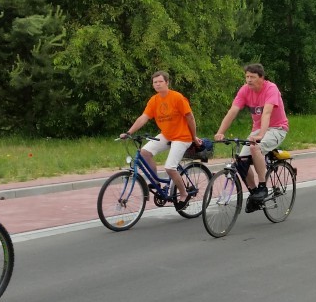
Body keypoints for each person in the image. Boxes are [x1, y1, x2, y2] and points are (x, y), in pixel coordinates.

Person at [122, 71, 201, 210]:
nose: (157, 84)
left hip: (182, 136)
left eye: (160, 81)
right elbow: (144, 117)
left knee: (170, 167)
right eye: (155, 82)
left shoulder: (177, 97)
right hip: (166, 135)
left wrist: (194, 137)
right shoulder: (154, 100)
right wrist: (129, 132)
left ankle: (183, 194)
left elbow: (190, 117)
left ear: (167, 82)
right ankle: (156, 182)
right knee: (144, 153)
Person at [215, 63, 289, 208]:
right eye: (247, 77)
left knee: (255, 147)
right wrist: (220, 132)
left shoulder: (271, 88)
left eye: (252, 77)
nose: (249, 80)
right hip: (258, 130)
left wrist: (261, 135)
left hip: (277, 128)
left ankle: (262, 186)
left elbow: (267, 113)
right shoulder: (245, 90)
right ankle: (255, 193)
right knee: (241, 161)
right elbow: (232, 111)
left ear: (261, 78)